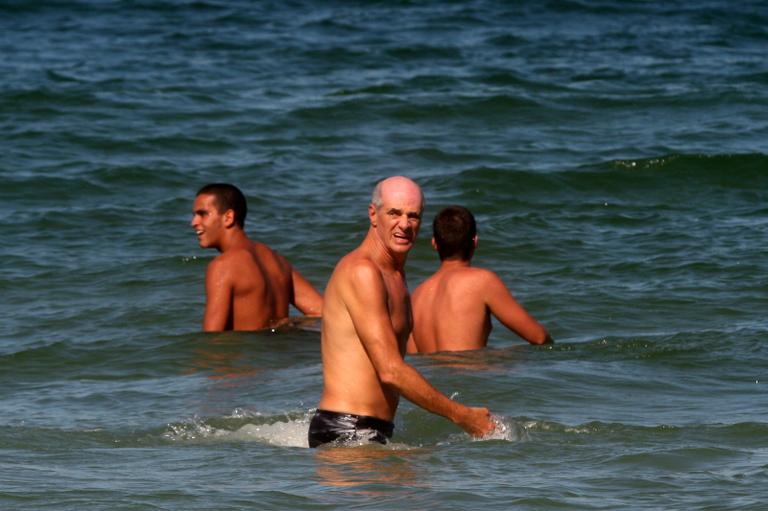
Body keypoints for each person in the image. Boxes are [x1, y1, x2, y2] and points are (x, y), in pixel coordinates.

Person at [308, 176, 495, 448]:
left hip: (370, 429)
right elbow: (391, 370)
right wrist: (462, 416)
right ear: (373, 214)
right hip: (347, 430)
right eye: (394, 213)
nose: (404, 225)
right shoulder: (363, 272)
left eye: (413, 216)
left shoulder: (395, 275)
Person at [407, 205, 552, 354]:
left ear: (434, 244)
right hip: (467, 376)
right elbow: (539, 338)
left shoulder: (415, 297)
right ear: (475, 241)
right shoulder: (482, 281)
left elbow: (414, 357)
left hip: (430, 377)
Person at [190, 183, 323, 331]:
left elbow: (212, 341)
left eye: (202, 214)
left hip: (248, 353)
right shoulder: (277, 260)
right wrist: (290, 324)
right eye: (194, 215)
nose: (194, 222)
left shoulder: (223, 266)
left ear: (228, 217)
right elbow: (323, 313)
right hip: (282, 352)